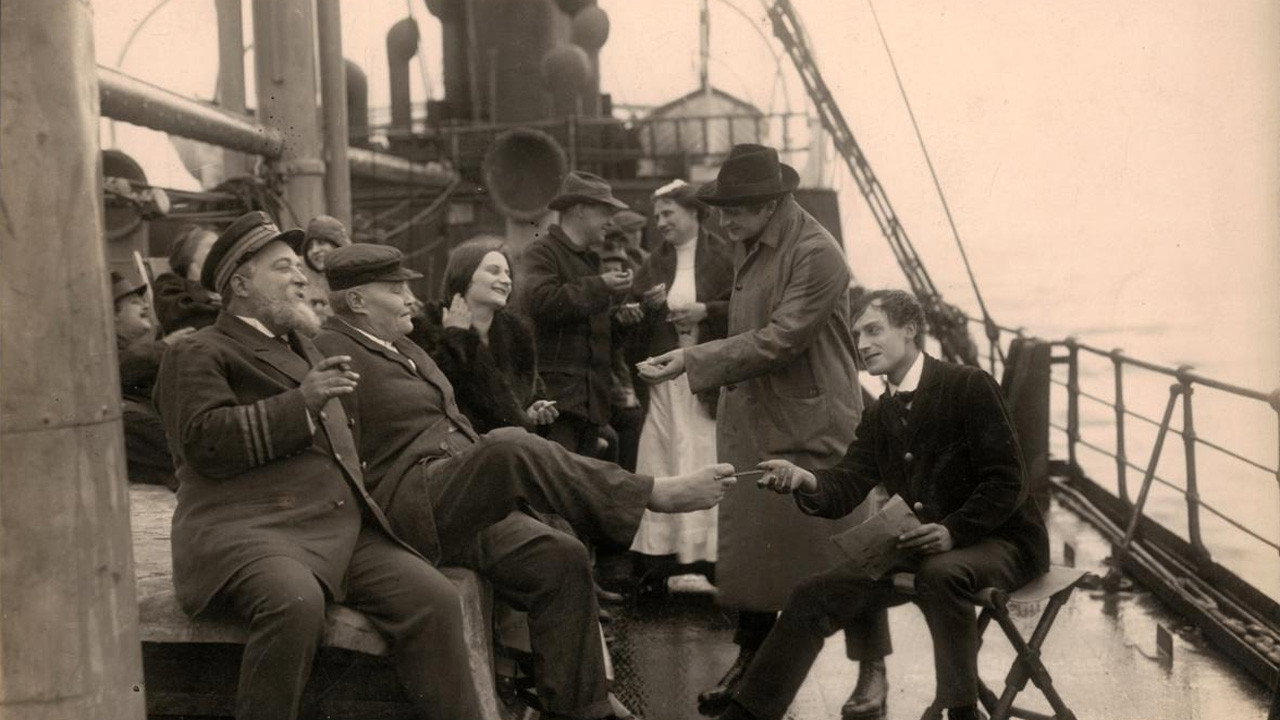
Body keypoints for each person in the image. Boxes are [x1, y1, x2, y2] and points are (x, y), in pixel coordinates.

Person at [313, 243, 738, 720]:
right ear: (356, 301)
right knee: (508, 446)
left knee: (560, 556)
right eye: (395, 289)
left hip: (450, 492)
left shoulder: (403, 346)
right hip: (408, 502)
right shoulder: (331, 350)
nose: (410, 297)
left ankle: (583, 708)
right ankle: (652, 494)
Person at [151, 211, 489, 720]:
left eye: (298, 266)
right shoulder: (199, 351)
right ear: (240, 285)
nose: (301, 277)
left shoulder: (303, 348)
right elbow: (203, 442)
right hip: (249, 531)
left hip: (332, 528)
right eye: (283, 267)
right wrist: (302, 404)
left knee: (435, 599)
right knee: (295, 604)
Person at [714, 290, 1050, 720]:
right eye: (857, 335)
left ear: (910, 330)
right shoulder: (879, 413)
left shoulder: (968, 385)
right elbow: (849, 482)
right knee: (811, 595)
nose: (863, 344)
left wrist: (954, 530)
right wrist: (805, 478)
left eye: (874, 330)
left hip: (1002, 541)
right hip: (924, 544)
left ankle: (962, 711)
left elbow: (1008, 480)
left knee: (941, 573)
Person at [637, 143, 864, 714]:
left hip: (811, 417)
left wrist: (693, 359)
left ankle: (874, 670)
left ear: (769, 204)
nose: (723, 221)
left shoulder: (817, 253)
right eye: (721, 209)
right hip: (761, 411)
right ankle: (752, 659)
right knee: (756, 550)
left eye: (734, 210)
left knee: (847, 551)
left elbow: (784, 337)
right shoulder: (753, 238)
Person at [626, 180, 734, 578]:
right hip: (665, 381)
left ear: (693, 212)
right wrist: (646, 308)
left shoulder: (724, 256)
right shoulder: (653, 263)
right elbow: (633, 318)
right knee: (661, 454)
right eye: (657, 216)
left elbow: (745, 307)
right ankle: (659, 556)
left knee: (703, 452)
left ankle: (710, 556)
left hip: (706, 377)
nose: (660, 223)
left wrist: (706, 311)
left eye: (668, 213)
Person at [521, 171, 633, 457]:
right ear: (580, 209)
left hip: (589, 405)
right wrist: (601, 285)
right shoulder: (541, 252)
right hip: (556, 405)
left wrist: (619, 320)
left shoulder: (589, 260)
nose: (611, 221)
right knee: (558, 479)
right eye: (605, 211)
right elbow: (542, 302)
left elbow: (591, 332)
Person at [408, 235, 557, 433]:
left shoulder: (517, 333)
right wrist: (456, 336)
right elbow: (438, 395)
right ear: (465, 275)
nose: (506, 280)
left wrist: (533, 410)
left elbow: (524, 398)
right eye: (494, 271)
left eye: (508, 274)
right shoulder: (427, 324)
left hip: (512, 443)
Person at [111, 271, 184, 489]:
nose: (145, 306)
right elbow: (118, 368)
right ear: (111, 314)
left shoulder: (145, 347)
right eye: (135, 302)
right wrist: (166, 347)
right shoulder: (101, 349)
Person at [153, 223, 221, 334]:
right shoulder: (168, 282)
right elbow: (181, 318)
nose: (220, 252)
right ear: (189, 252)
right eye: (213, 247)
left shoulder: (222, 286)